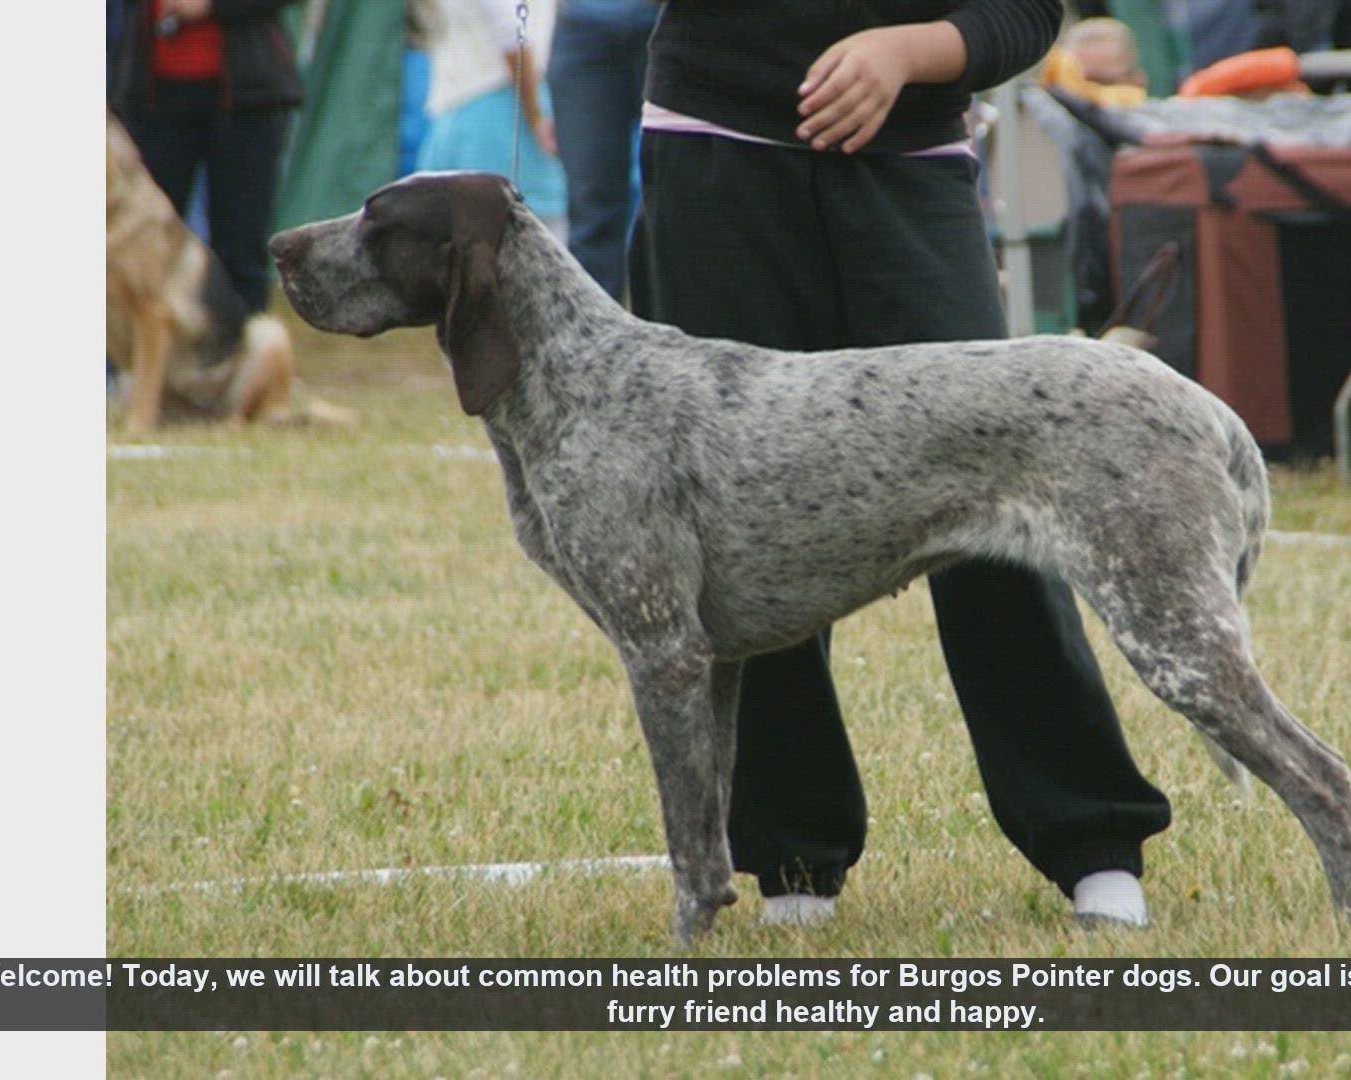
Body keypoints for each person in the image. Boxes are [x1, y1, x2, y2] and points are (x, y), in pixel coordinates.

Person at [629, 0, 1173, 927]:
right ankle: (791, 865)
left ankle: (1093, 844)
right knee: (748, 524)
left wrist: (909, 52)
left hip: (912, 168)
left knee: (999, 508)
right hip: (711, 154)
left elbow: (1027, 12)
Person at [109, 0, 304, 315]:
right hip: (150, 96)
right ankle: (143, 346)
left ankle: (242, 341)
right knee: (141, 248)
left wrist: (211, 6)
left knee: (240, 250)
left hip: (246, 100)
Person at [414, 0, 569, 238]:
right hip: (501, 112)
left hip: (452, 110)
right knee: (538, 236)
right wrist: (536, 115)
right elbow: (511, 32)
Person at [545, 0, 659, 299]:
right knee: (591, 206)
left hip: (666, 25)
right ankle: (590, 324)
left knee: (676, 202)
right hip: (581, 28)